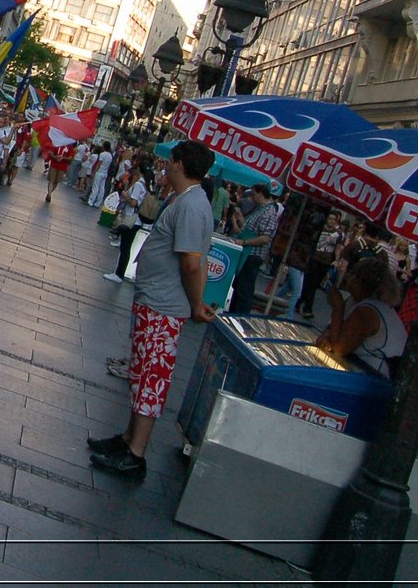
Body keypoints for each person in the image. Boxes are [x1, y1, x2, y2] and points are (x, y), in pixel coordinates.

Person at [88, 139, 216, 479]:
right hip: (155, 302)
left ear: (178, 163)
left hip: (164, 306)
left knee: (151, 379)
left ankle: (136, 453)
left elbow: (192, 263)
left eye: (168, 162)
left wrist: (195, 304)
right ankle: (128, 438)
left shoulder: (191, 206)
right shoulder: (186, 201)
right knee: (142, 373)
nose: (164, 169)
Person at [315, 255, 405, 377]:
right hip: (362, 370)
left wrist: (338, 308)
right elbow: (333, 331)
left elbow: (339, 348)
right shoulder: (354, 301)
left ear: (362, 282)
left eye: (353, 274)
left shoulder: (369, 310)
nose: (348, 277)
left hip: (377, 378)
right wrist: (327, 336)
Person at [228, 184, 279, 314]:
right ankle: (234, 312)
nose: (251, 198)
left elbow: (265, 238)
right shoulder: (260, 209)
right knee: (239, 286)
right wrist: (240, 219)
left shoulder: (269, 212)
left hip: (252, 255)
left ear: (260, 193)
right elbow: (251, 228)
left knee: (245, 288)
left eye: (253, 194)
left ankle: (241, 316)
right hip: (247, 253)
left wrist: (245, 242)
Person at [103, 166, 150, 284]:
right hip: (136, 220)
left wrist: (124, 194)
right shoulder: (145, 184)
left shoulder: (139, 185)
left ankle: (119, 273)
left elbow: (133, 203)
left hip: (132, 219)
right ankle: (119, 272)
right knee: (125, 247)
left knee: (125, 247)